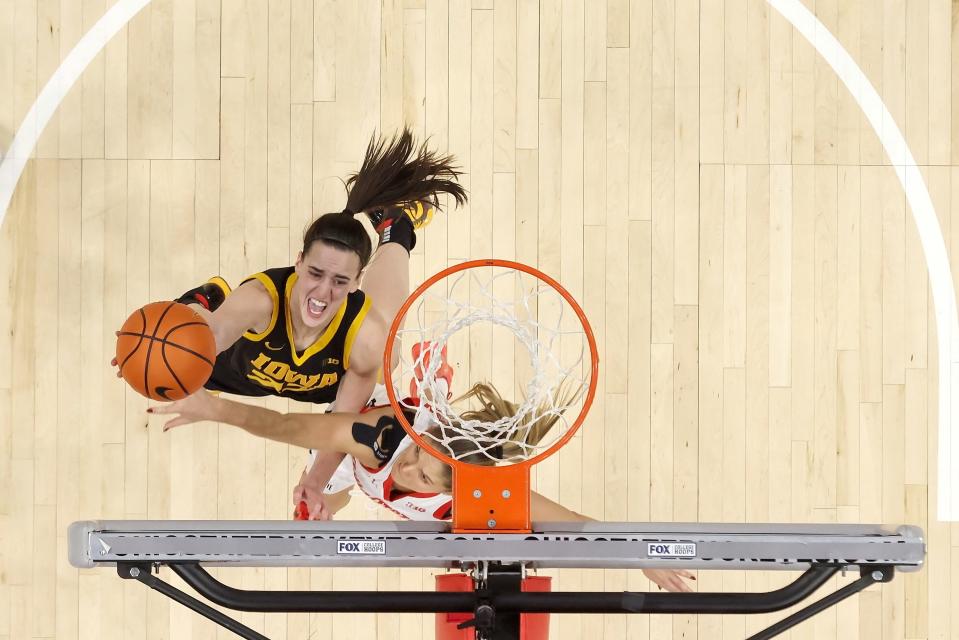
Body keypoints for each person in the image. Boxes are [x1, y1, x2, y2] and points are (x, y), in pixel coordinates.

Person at [118, 128, 466, 515]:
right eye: (315, 273)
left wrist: (314, 484)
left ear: (356, 283)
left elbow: (342, 424)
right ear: (298, 261)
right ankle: (200, 299)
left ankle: (395, 228)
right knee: (192, 348)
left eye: (339, 281)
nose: (322, 292)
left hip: (325, 387)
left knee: (386, 347)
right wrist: (147, 347)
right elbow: (213, 334)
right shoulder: (263, 300)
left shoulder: (361, 336)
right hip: (237, 369)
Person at [148, 383, 697, 593]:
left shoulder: (477, 490)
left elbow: (573, 525)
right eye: (420, 460)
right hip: (360, 417)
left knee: (321, 505)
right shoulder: (385, 438)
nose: (412, 471)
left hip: (364, 479)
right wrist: (214, 408)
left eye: (427, 478)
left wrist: (641, 558)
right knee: (364, 362)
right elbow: (289, 428)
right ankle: (397, 232)